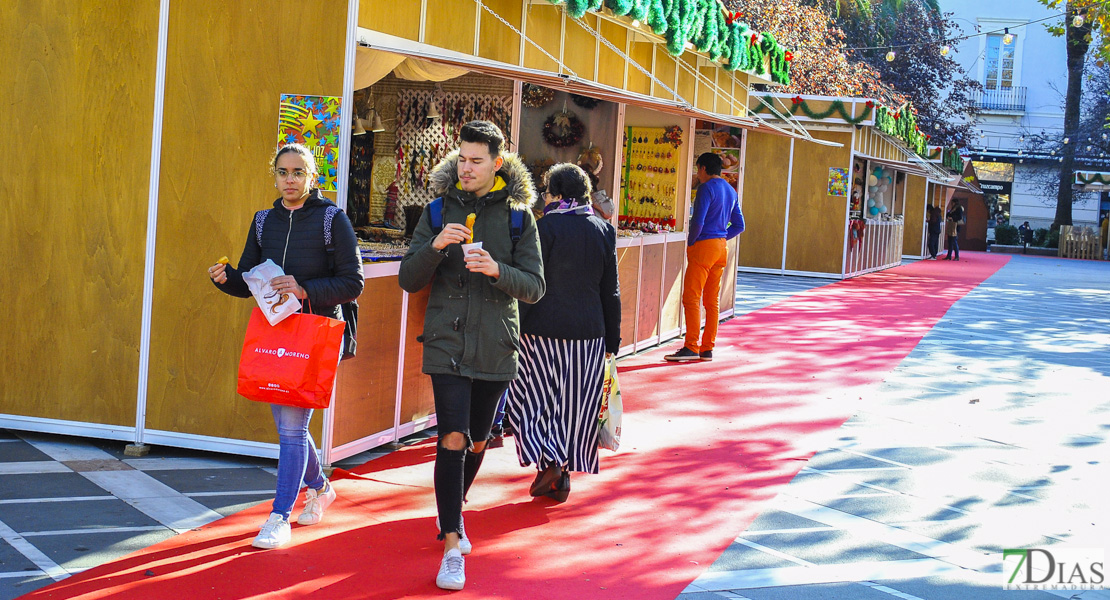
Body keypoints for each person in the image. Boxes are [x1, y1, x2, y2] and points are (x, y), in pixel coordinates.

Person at [398, 121, 544, 591]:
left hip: (497, 343)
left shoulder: (520, 216)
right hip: (445, 342)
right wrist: (437, 246)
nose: (466, 167)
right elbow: (407, 278)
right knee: (452, 438)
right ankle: (452, 542)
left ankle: (452, 509)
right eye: (461, 158)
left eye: (476, 160)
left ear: (497, 164)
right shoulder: (437, 209)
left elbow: (536, 287)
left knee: (479, 440)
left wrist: (498, 270)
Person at [207, 143, 364, 549]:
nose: (290, 180)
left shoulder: (332, 219)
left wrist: (303, 287)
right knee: (287, 427)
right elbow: (248, 284)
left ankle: (279, 517)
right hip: (275, 332)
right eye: (283, 172)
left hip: (315, 333)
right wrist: (226, 279)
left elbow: (353, 283)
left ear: (312, 177)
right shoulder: (263, 222)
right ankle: (321, 487)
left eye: (298, 173)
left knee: (293, 429)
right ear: (274, 175)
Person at [506, 163, 621, 504]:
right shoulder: (603, 230)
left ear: (555, 194)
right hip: (589, 333)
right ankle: (563, 475)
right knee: (573, 407)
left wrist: (513, 326)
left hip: (540, 331)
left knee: (533, 400)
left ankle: (549, 463)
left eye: (546, 192)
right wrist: (612, 341)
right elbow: (610, 291)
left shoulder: (543, 228)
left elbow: (531, 284)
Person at [665, 152, 744, 362]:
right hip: (720, 247)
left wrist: (692, 241)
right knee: (712, 300)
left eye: (697, 169)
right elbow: (740, 225)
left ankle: (691, 345)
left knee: (691, 297)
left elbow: (698, 221)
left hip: (704, 245)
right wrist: (721, 237)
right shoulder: (730, 189)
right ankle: (707, 347)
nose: (697, 173)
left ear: (702, 168)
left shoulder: (706, 188)